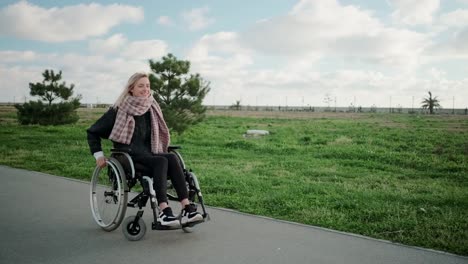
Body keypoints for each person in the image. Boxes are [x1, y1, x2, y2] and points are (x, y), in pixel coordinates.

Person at [87, 72, 203, 227]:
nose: (145, 89)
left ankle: (187, 208)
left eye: (147, 85)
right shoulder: (118, 109)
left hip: (149, 154)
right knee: (161, 161)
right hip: (128, 155)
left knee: (172, 158)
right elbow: (92, 132)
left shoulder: (151, 107)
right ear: (131, 89)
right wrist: (99, 155)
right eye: (141, 86)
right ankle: (164, 211)